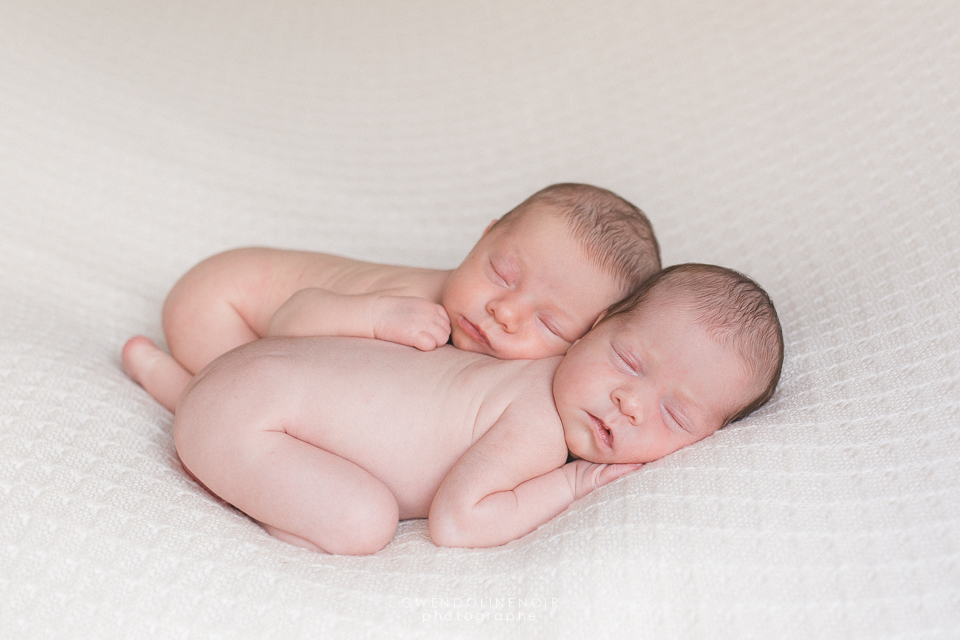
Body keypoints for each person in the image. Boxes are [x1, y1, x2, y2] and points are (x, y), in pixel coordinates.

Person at [172, 263, 784, 554]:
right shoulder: (538, 426)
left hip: (250, 386)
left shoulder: (525, 361)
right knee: (363, 523)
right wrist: (575, 482)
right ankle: (207, 445)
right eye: (628, 364)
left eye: (674, 417)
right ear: (592, 328)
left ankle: (179, 392)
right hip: (250, 414)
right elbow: (460, 521)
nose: (630, 404)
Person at [123, 183, 661, 412]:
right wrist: (376, 316)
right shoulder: (411, 301)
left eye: (550, 323)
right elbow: (292, 317)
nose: (505, 311)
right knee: (230, 394)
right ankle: (165, 377)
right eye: (500, 272)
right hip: (224, 302)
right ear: (485, 234)